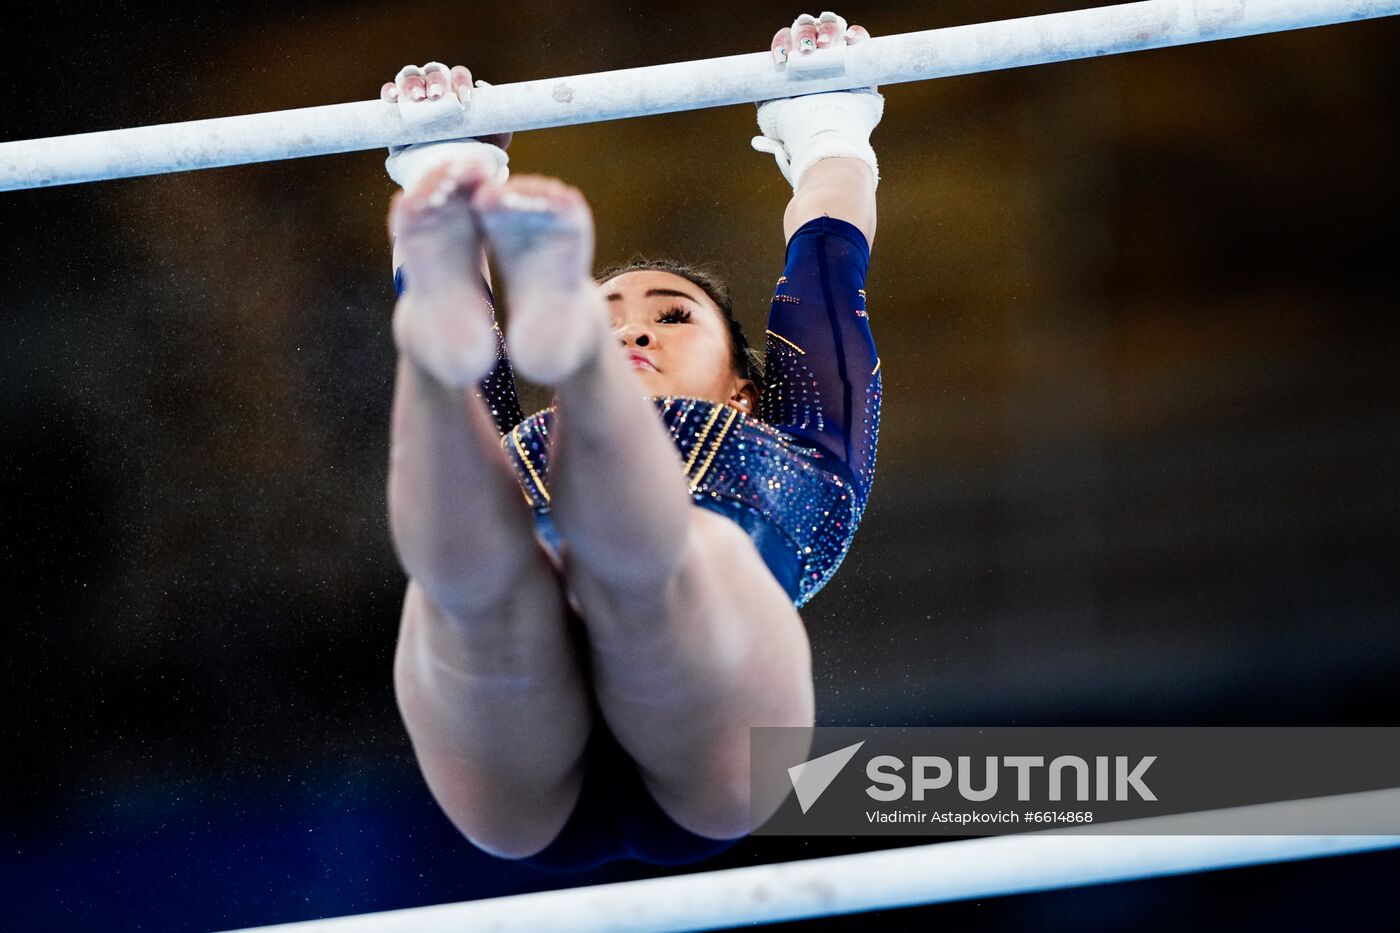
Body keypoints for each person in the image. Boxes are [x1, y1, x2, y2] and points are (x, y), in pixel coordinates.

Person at [381, 11, 883, 871]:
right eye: (609, 317)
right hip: (533, 723)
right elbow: (825, 241)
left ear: (746, 388)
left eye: (670, 315)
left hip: (700, 731)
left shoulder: (797, 433)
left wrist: (827, 126)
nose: (639, 332)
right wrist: (825, 117)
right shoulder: (808, 466)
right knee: (472, 601)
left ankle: (489, 302)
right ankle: (436, 337)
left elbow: (831, 253)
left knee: (654, 572)